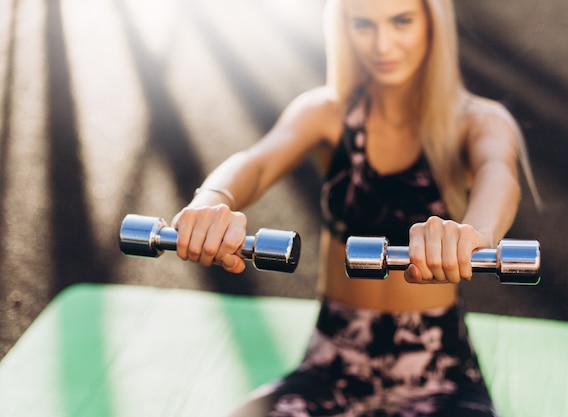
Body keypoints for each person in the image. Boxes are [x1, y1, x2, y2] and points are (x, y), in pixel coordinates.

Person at [172, 0, 539, 415]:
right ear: (342, 27)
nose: (383, 44)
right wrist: (210, 200)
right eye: (364, 24)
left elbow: (499, 174)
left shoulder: (478, 120)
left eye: (401, 21)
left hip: (436, 367)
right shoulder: (326, 113)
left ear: (432, 24)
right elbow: (256, 163)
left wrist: (477, 234)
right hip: (333, 359)